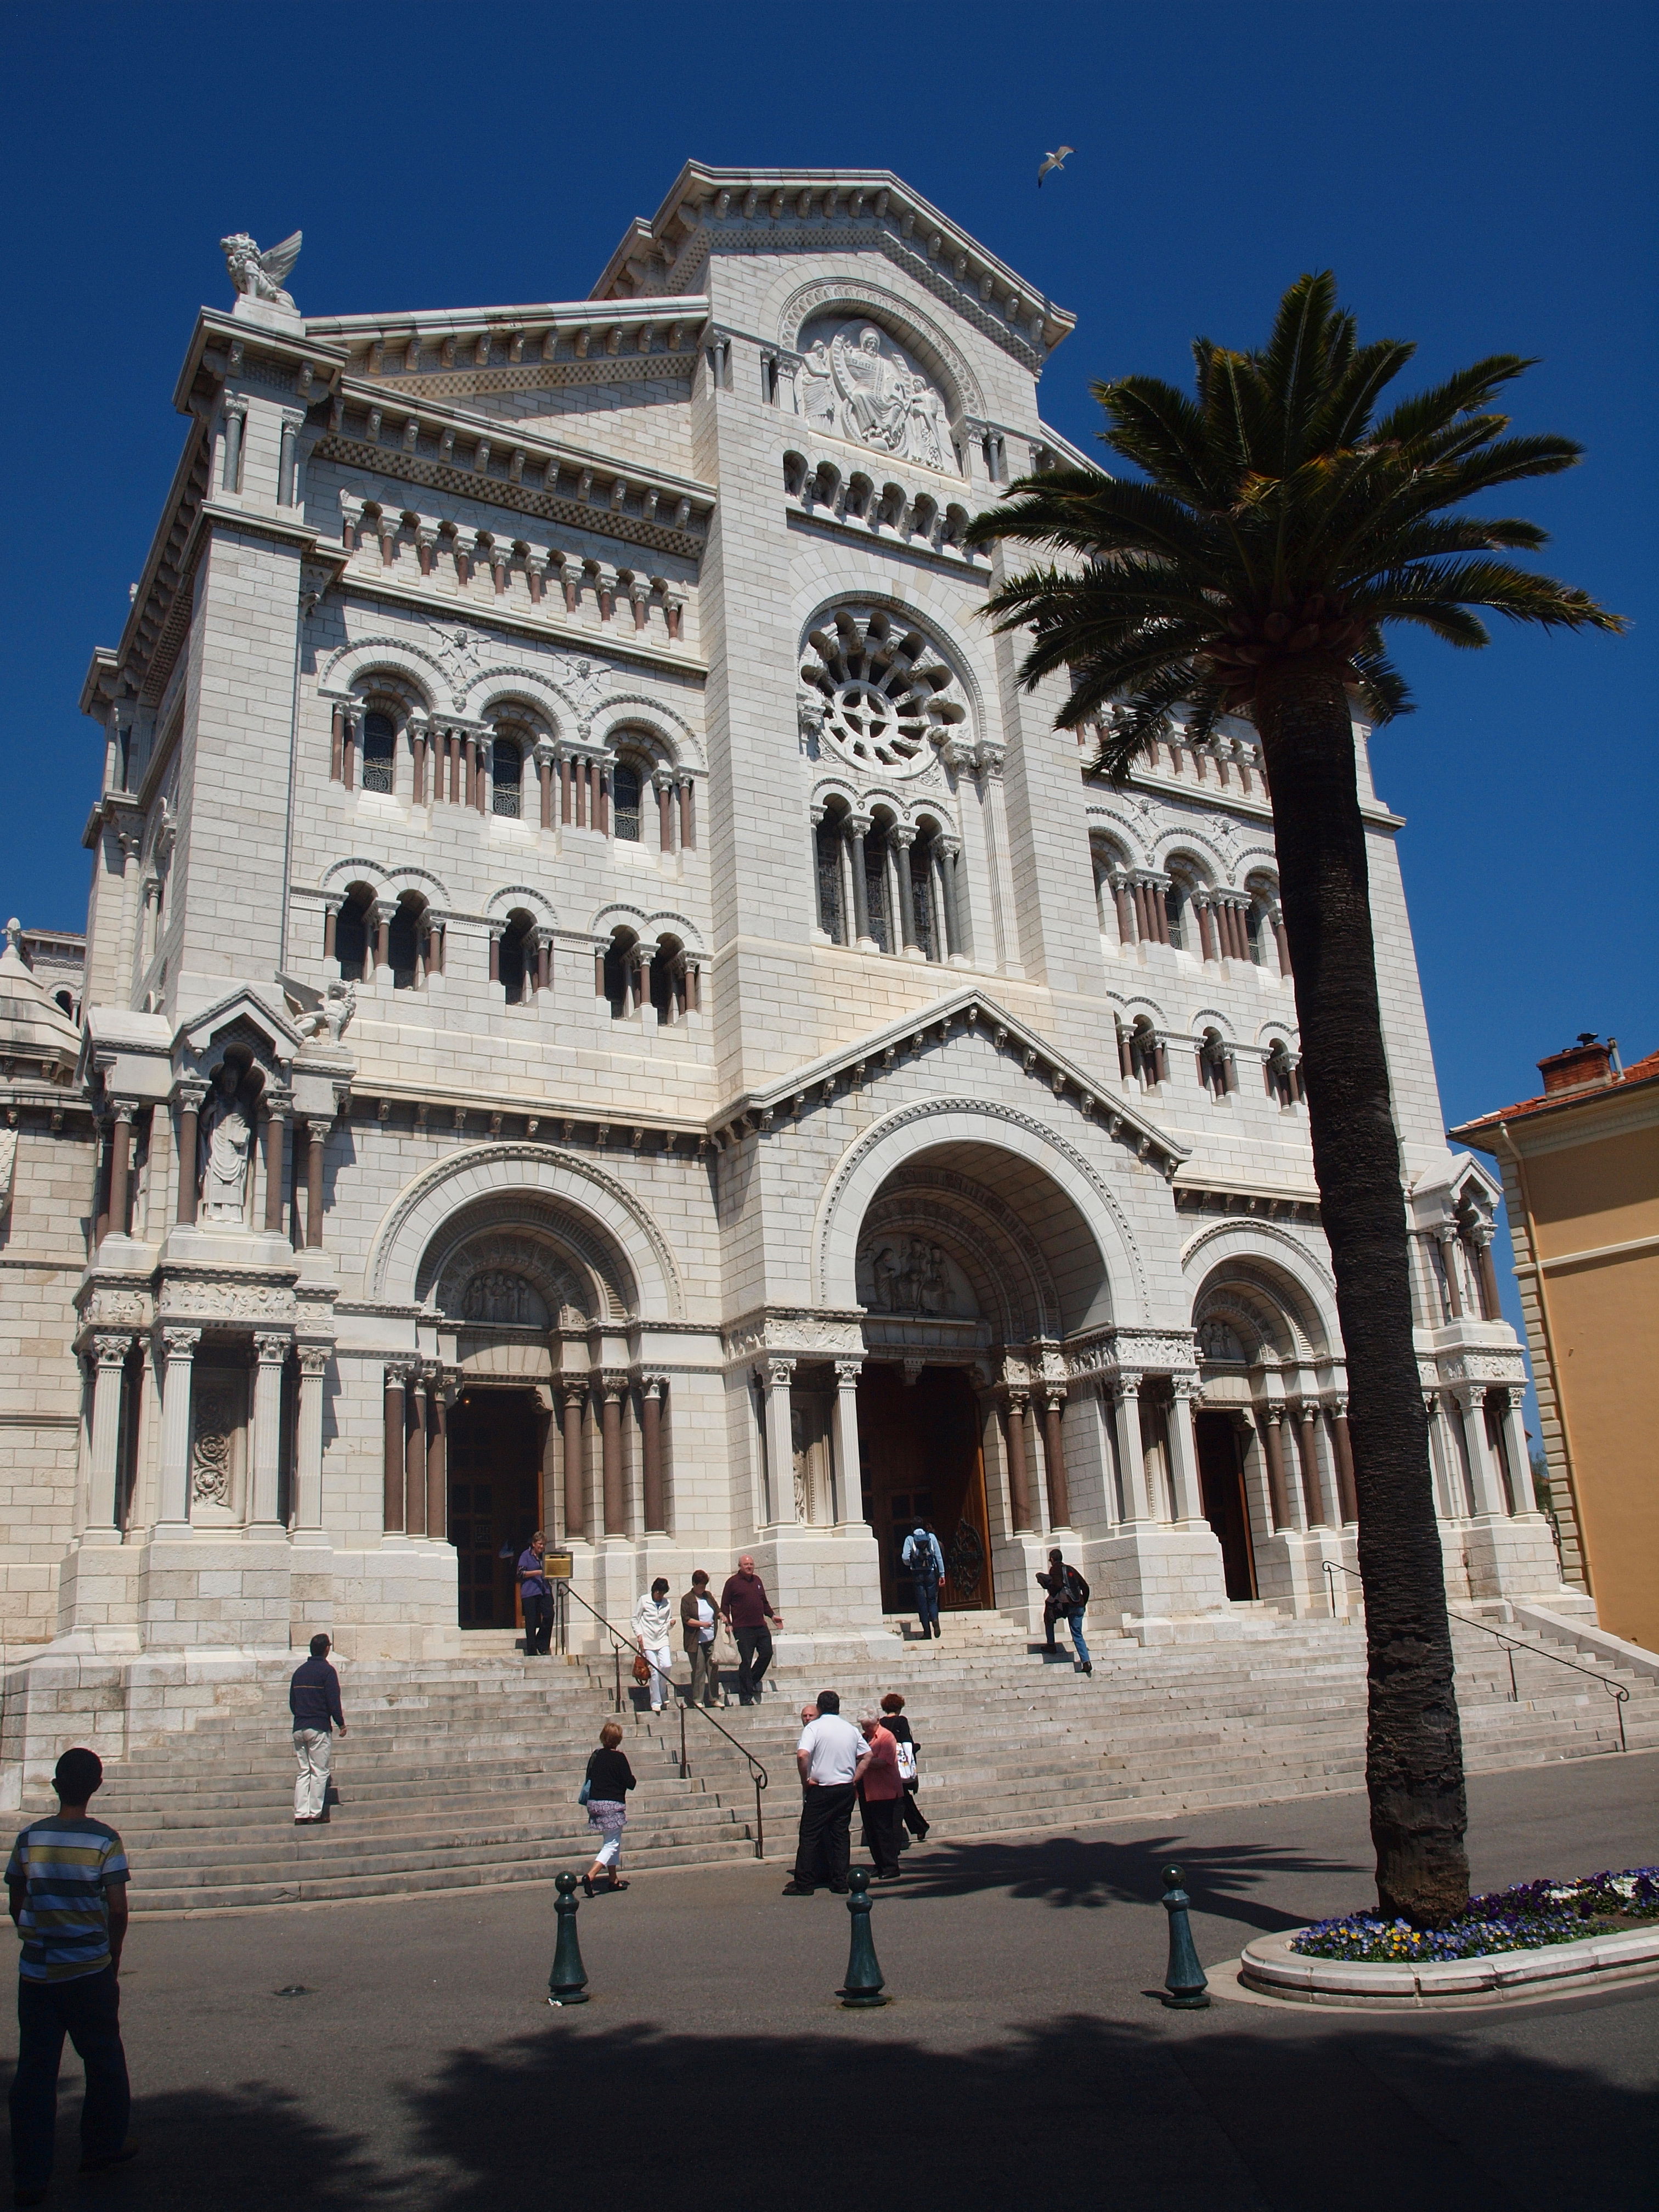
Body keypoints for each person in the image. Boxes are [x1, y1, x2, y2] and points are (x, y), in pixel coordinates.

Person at [7, 1748, 137, 2205]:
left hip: (38, 1971)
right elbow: (118, 1908)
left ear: (56, 1784)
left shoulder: (30, 1837)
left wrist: (35, 1931)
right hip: (88, 1968)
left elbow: (17, 1895)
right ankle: (101, 2148)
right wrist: (112, 1951)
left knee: (35, 2072)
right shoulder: (105, 1840)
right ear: (97, 1786)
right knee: (103, 2060)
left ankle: (31, 2175)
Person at [782, 1691, 871, 1896]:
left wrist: (806, 1780)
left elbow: (803, 1755)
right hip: (844, 1787)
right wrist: (854, 1778)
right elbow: (867, 1756)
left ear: (819, 1708)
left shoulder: (814, 1727)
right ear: (838, 1707)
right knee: (840, 1834)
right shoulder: (850, 1729)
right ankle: (840, 1881)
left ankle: (805, 1882)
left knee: (810, 1834)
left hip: (821, 1787)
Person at [289, 1632, 347, 1824]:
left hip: (299, 1727)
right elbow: (333, 1700)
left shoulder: (299, 1672)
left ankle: (300, 1814)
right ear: (326, 1649)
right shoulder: (327, 1671)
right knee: (320, 1771)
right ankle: (315, 1813)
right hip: (318, 1727)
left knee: (304, 1771)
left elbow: (293, 1703)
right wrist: (340, 1723)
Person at [719, 1554, 783, 1706]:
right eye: (746, 1565)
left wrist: (772, 1616)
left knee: (767, 1653)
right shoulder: (732, 1583)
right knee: (746, 1661)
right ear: (740, 1566)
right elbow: (725, 1605)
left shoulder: (758, 1581)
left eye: (751, 1565)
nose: (749, 1567)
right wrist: (728, 1624)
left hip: (760, 1626)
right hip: (743, 1628)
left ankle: (752, 1680)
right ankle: (746, 1696)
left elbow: (764, 1602)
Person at [582, 1720, 636, 1895]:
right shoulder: (619, 1758)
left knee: (610, 1840)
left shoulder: (596, 1755)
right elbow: (630, 1783)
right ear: (618, 1739)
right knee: (612, 1843)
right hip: (612, 1804)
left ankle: (613, 1879)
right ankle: (591, 1875)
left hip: (595, 1803)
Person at [855, 1708, 905, 1880]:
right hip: (868, 1791)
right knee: (872, 1831)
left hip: (886, 1791)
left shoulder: (886, 1737)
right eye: (864, 1726)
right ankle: (879, 1864)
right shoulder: (864, 1738)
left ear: (877, 1722)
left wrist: (864, 1761)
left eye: (869, 1726)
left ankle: (891, 1866)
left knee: (885, 1831)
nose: (866, 1730)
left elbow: (884, 1761)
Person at [881, 1691, 930, 1844]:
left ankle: (919, 1826)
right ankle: (917, 1827)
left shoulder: (881, 1722)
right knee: (902, 1801)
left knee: (901, 1800)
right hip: (901, 1767)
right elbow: (907, 1744)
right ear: (899, 1707)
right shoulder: (901, 1721)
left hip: (887, 1767)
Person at [1036, 1549, 1093, 1675]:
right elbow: (1085, 1587)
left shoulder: (1055, 1569)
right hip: (1078, 1606)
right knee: (1078, 1635)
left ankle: (1051, 1644)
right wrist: (1083, 1603)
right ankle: (1086, 1662)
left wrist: (1051, 1593)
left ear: (1052, 1559)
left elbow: (1057, 1586)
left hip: (1066, 1606)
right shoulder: (1071, 1569)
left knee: (1048, 1615)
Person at [633, 1577, 675, 1714]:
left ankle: (663, 1690)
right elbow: (635, 1619)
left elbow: (667, 1622)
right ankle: (656, 1701)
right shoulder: (644, 1600)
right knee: (655, 1672)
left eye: (663, 1594)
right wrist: (639, 1634)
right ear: (654, 1591)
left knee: (667, 1665)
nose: (661, 1596)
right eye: (659, 1593)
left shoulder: (667, 1603)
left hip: (662, 1638)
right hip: (648, 1641)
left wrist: (671, 1624)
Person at [680, 1570, 721, 1708]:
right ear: (694, 1584)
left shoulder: (708, 1596)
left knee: (713, 1667)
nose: (703, 1589)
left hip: (711, 1638)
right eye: (700, 1586)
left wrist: (722, 1616)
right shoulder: (687, 1599)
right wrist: (702, 1624)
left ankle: (714, 1697)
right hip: (695, 1640)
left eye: (704, 1586)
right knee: (699, 1669)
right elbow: (686, 1619)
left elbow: (717, 1609)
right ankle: (698, 1699)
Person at [902, 1521, 946, 1639]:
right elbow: (938, 1556)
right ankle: (935, 1620)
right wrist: (942, 1574)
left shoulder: (910, 1539)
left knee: (922, 1602)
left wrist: (910, 1563)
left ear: (912, 1527)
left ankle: (927, 1632)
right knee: (932, 1600)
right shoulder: (931, 1537)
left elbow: (905, 1557)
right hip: (930, 1572)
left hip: (917, 1573)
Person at [518, 1532, 554, 1656]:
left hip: (545, 1590)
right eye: (540, 1544)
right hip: (530, 1591)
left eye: (544, 1545)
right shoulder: (526, 1555)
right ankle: (532, 1650)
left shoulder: (545, 1557)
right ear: (534, 1544)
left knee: (549, 1615)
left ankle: (542, 1643)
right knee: (531, 1621)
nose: (542, 1547)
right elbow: (521, 1573)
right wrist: (537, 1572)